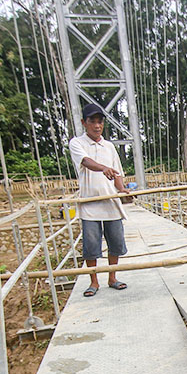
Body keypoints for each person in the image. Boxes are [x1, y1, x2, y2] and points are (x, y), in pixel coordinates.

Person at [68, 103, 133, 297]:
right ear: (84, 123)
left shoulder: (109, 147)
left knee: (116, 243)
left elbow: (117, 172)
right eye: (92, 122)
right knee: (91, 246)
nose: (97, 126)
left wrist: (121, 190)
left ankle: (112, 278)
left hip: (110, 203)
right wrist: (102, 168)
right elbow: (86, 162)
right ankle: (94, 282)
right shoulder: (77, 143)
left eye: (100, 122)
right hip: (89, 204)